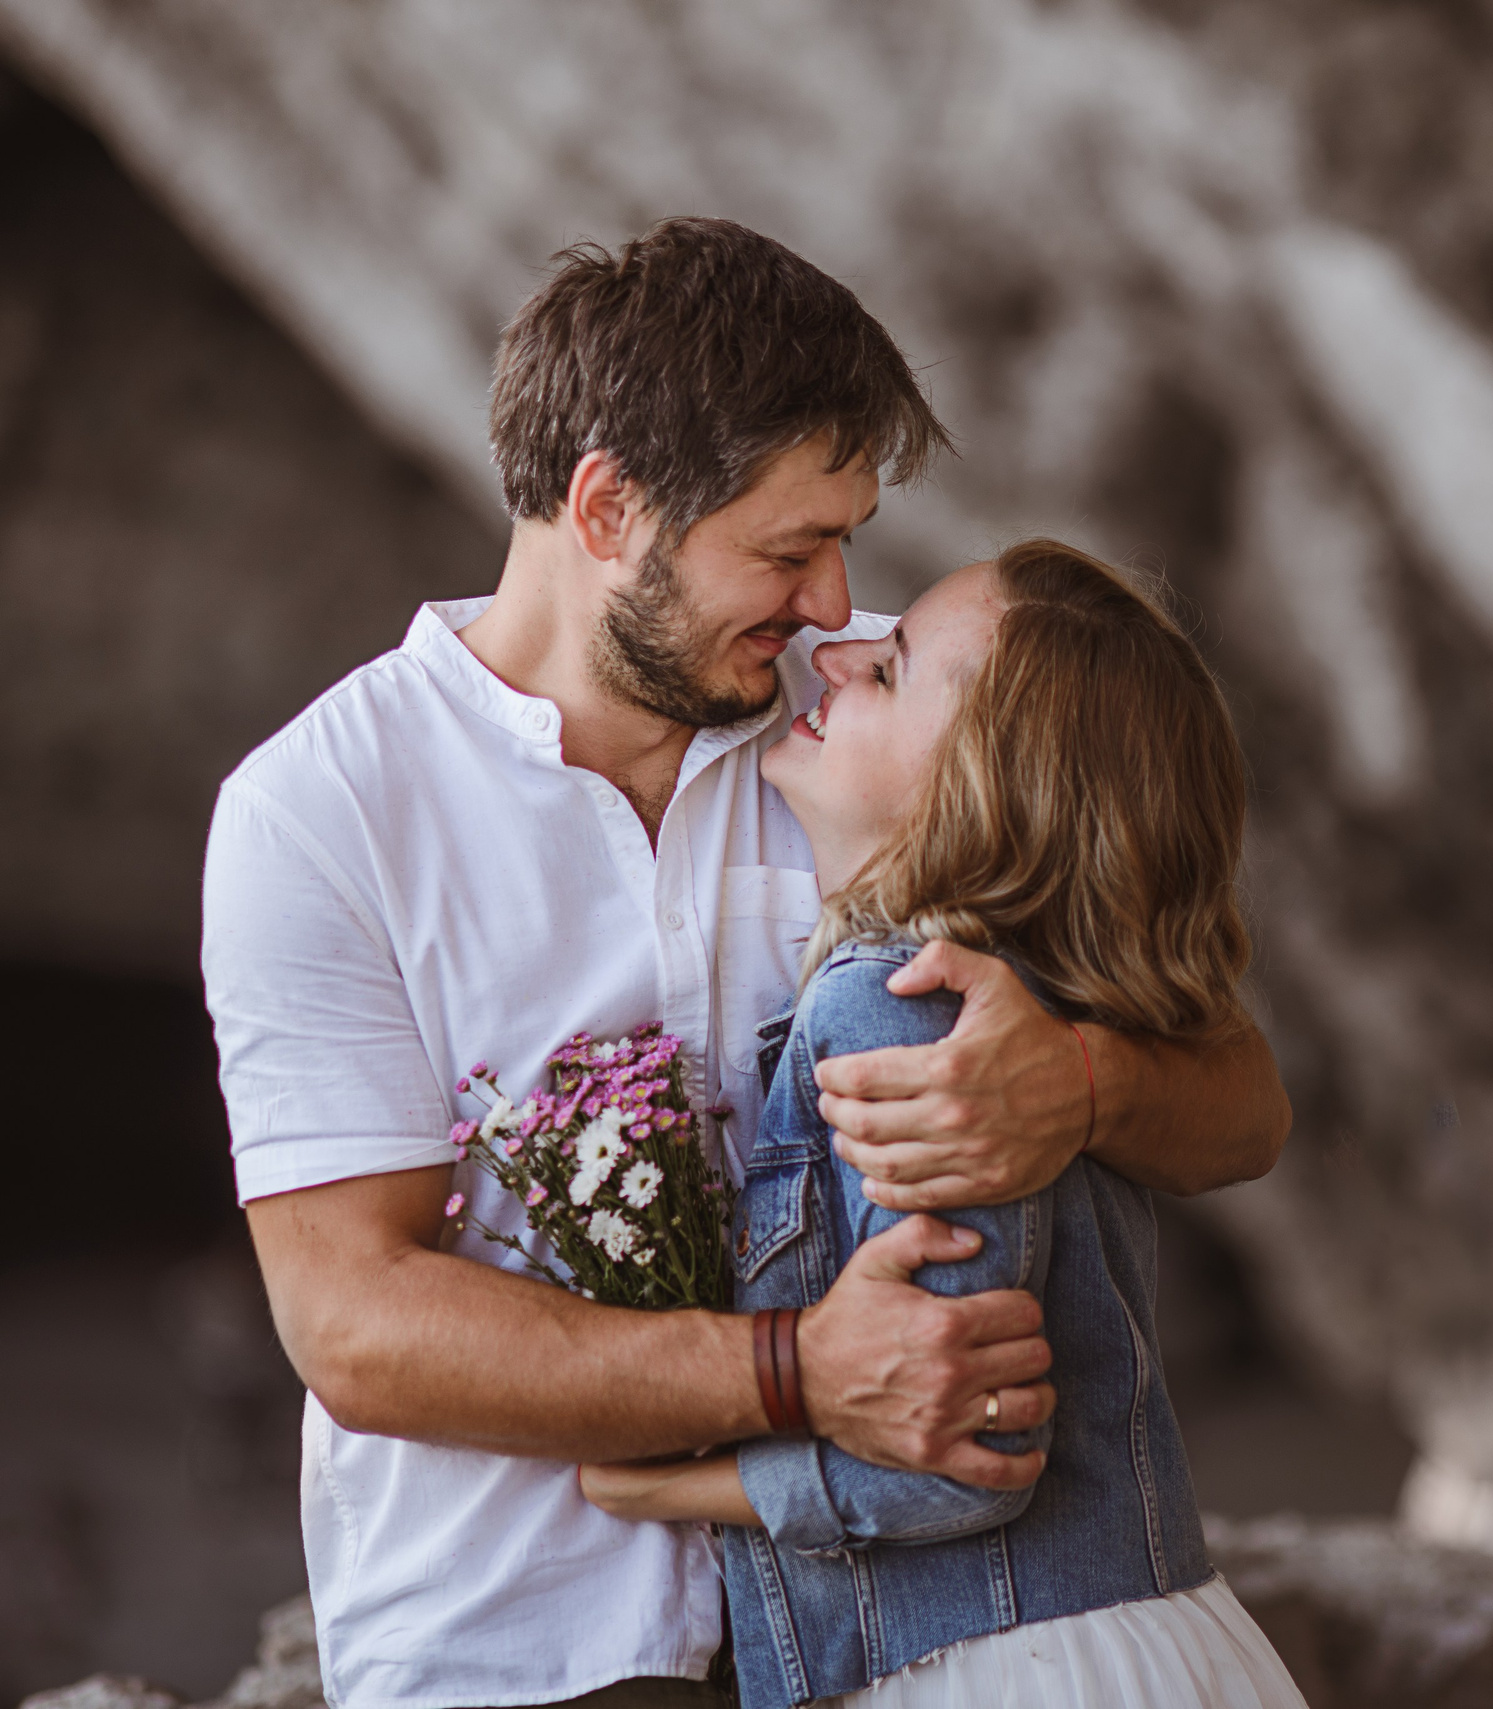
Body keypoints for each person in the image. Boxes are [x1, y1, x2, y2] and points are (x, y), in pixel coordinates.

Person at [201, 218, 1291, 1709]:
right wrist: (797, 1374)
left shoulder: (887, 734)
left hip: (889, 1646)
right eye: (790, 549)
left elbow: (1244, 1101)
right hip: (522, 1657)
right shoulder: (319, 814)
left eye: (846, 541)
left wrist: (1083, 1080)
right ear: (607, 509)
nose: (840, 607)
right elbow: (355, 1326)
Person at [579, 540, 1307, 1709]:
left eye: (893, 667)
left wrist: (666, 1482)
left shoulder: (904, 1004)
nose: (844, 646)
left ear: (986, 785)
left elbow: (965, 1461)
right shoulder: (1009, 985)